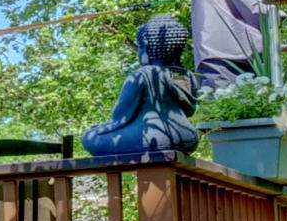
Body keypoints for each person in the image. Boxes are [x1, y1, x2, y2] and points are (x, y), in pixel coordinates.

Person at [82, 18, 203, 163]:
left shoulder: (142, 75)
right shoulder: (186, 75)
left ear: (146, 45)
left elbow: (120, 117)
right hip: (188, 138)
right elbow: (190, 111)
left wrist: (101, 128)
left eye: (140, 47)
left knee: (90, 137)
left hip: (153, 137)